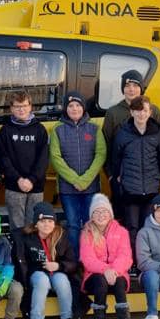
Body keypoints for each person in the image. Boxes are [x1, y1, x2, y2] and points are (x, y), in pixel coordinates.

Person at [110, 95, 160, 256]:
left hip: (151, 188)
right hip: (130, 189)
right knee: (132, 227)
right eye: (137, 110)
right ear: (131, 112)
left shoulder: (157, 133)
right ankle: (132, 261)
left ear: (150, 112)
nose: (141, 114)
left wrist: (158, 177)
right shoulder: (123, 133)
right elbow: (116, 159)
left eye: (145, 110)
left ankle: (146, 260)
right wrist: (118, 178)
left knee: (148, 226)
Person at [49, 91, 106, 253]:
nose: (74, 109)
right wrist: (74, 180)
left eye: (78, 105)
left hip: (91, 187)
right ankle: (74, 259)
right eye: (71, 106)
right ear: (66, 108)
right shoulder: (57, 130)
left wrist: (85, 180)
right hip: (68, 189)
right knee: (73, 224)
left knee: (91, 223)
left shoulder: (94, 128)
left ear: (83, 107)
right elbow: (55, 157)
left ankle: (90, 256)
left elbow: (101, 154)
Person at [12, 202, 79, 319]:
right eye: (42, 221)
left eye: (50, 221)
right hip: (36, 271)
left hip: (57, 270)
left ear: (54, 223)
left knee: (62, 281)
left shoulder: (61, 235)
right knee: (42, 281)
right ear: (36, 223)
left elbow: (72, 261)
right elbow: (21, 261)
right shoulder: (26, 236)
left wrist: (59, 266)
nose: (47, 224)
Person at [101, 70, 160, 218]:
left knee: (146, 219)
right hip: (120, 178)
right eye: (127, 85)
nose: (131, 89)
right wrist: (110, 174)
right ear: (123, 88)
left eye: (135, 85)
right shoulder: (113, 113)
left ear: (141, 88)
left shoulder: (154, 111)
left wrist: (158, 174)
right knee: (122, 218)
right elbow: (106, 145)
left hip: (147, 180)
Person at [79, 194, 134, 319]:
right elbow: (88, 260)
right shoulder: (86, 233)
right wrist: (105, 270)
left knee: (120, 281)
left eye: (104, 211)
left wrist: (114, 270)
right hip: (95, 276)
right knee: (100, 281)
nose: (101, 215)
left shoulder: (122, 232)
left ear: (110, 214)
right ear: (92, 215)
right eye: (97, 212)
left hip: (117, 273)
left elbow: (126, 257)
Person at [0, 91, 50, 232]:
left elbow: (43, 159)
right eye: (17, 106)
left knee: (34, 225)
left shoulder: (40, 130)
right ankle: (19, 254)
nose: (21, 109)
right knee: (17, 226)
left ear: (31, 106)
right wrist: (19, 179)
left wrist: (31, 180)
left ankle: (31, 253)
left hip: (36, 186)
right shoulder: (5, 130)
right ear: (11, 108)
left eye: (25, 105)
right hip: (14, 186)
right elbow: (3, 158)